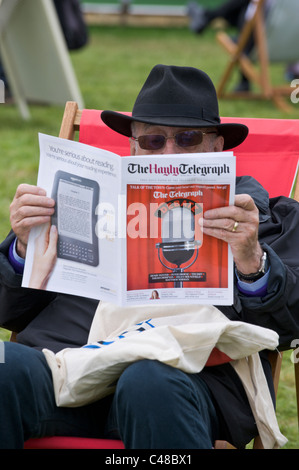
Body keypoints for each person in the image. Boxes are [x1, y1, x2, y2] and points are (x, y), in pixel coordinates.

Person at [1, 64, 299, 449]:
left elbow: (290, 327)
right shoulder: (82, 199)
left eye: (187, 138)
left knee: (147, 381)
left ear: (217, 146)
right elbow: (8, 312)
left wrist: (251, 260)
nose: (169, 153)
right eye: (154, 140)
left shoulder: (264, 220)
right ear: (133, 147)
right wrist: (24, 249)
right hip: (68, 365)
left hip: (182, 381)